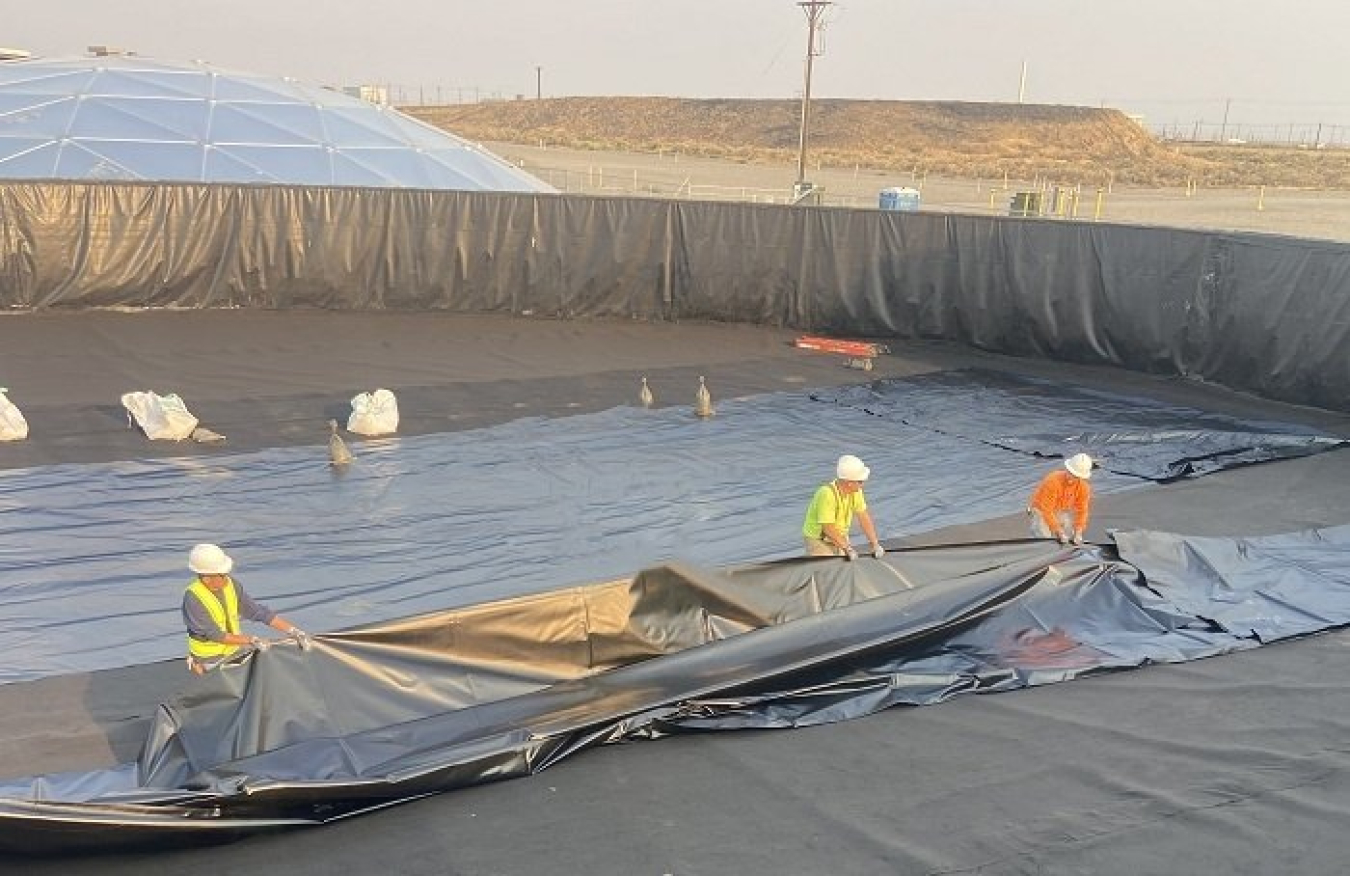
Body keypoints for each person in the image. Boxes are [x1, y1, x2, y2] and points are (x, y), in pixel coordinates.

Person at [181, 543, 313, 674]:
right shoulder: (193, 599)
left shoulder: (231, 586)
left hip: (234, 651)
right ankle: (195, 665)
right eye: (221, 574)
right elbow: (215, 635)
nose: (226, 577)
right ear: (206, 578)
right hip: (209, 661)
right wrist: (251, 640)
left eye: (225, 573)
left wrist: (294, 631)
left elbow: (257, 612)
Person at [802, 454, 885, 560]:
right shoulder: (827, 494)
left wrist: (875, 544)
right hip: (819, 540)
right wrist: (847, 548)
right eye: (860, 482)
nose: (862, 485)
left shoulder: (856, 491)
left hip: (840, 534)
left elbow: (863, 516)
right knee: (827, 568)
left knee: (844, 567)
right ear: (849, 483)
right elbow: (828, 527)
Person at [1027, 453, 1094, 545]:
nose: (1071, 478)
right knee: (1043, 537)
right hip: (1040, 509)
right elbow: (1046, 510)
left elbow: (1082, 511)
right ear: (1067, 469)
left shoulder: (1083, 488)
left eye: (1075, 476)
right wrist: (1059, 532)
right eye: (1070, 473)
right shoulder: (1052, 481)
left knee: (1069, 535)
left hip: (1059, 509)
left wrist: (1078, 532)